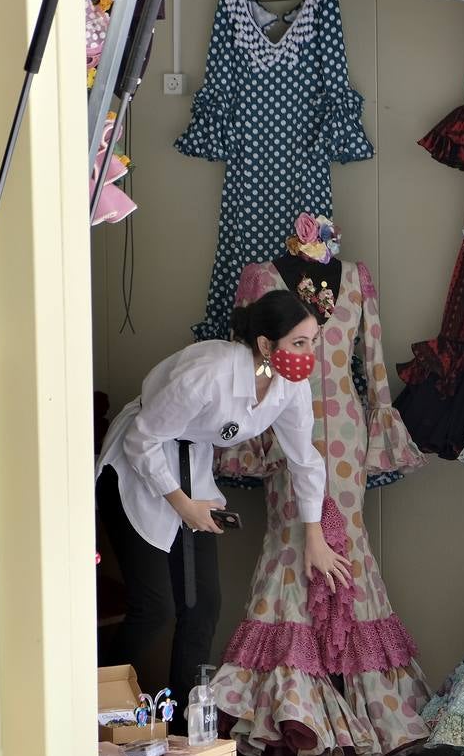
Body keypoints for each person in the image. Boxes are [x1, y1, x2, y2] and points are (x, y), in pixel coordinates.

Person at [95, 290, 350, 712]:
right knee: (154, 608)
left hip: (190, 469)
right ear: (267, 345)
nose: (309, 354)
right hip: (135, 467)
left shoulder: (289, 387)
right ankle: (94, 696)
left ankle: (183, 722)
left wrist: (314, 534)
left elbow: (305, 459)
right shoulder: (210, 373)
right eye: (299, 343)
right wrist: (183, 505)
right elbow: (143, 439)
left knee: (203, 604)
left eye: (313, 342)